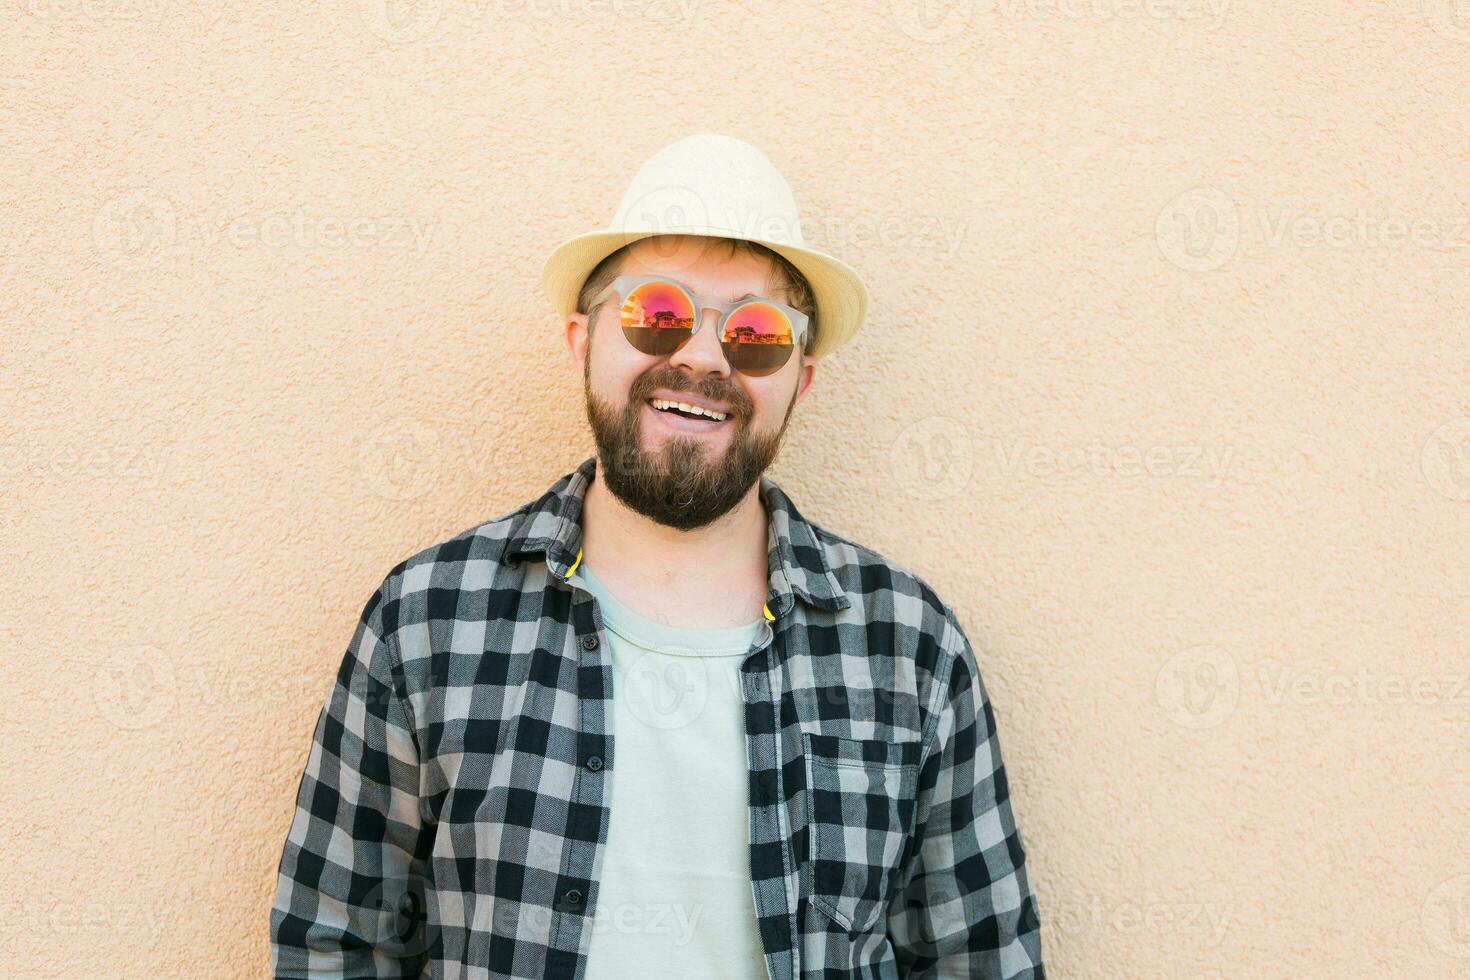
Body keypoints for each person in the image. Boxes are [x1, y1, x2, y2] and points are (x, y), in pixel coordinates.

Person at [269, 133, 1045, 979]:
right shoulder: (428, 618)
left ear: (802, 380)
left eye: (754, 333)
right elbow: (333, 938)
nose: (702, 356)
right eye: (658, 316)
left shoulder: (907, 644)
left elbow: (982, 957)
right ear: (581, 340)